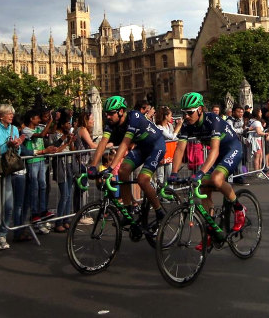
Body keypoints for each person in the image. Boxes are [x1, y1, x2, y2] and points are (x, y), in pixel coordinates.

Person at [169, 93, 246, 241]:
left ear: (200, 109)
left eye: (190, 112)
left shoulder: (213, 120)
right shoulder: (186, 125)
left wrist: (201, 172)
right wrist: (173, 173)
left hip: (231, 149)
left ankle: (239, 208)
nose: (186, 116)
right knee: (204, 187)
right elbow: (179, 149)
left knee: (216, 179)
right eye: (184, 113)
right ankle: (211, 230)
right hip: (216, 155)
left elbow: (215, 150)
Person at [88, 95, 168, 228]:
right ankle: (128, 211)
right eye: (106, 113)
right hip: (141, 147)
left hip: (156, 146)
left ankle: (160, 212)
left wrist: (110, 167)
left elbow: (125, 143)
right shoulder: (111, 122)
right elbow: (103, 143)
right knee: (123, 171)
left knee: (142, 179)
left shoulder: (134, 117)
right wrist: (92, 166)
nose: (108, 116)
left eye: (111, 113)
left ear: (120, 112)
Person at [0, 104, 25, 250]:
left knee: (8, 205)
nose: (11, 115)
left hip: (6, 169)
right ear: (0, 115)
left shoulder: (13, 129)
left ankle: (2, 233)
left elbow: (16, 150)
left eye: (12, 113)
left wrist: (17, 144)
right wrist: (8, 144)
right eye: (8, 113)